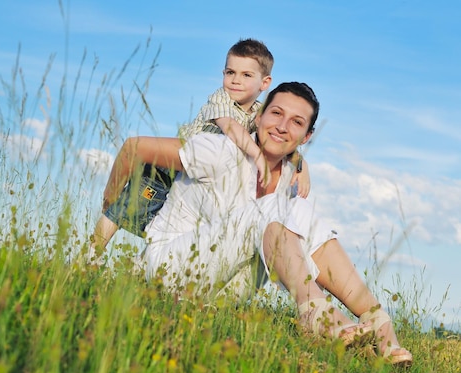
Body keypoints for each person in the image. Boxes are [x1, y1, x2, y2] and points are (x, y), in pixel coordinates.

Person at [100, 82, 413, 366]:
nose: (281, 126)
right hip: (169, 272)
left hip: (223, 292)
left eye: (296, 122)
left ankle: (383, 328)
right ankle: (316, 316)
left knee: (299, 211)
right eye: (276, 113)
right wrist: (109, 200)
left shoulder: (291, 177)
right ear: (260, 116)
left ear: (306, 137)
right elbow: (134, 147)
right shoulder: (221, 150)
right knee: (274, 208)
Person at [90, 38, 311, 256]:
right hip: (171, 167)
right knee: (125, 207)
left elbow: (275, 139)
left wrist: (301, 168)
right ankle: (91, 254)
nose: (235, 80)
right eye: (230, 72)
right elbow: (231, 127)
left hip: (195, 180)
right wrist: (257, 156)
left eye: (246, 75)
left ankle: (141, 270)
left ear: (264, 83)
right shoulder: (221, 99)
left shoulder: (260, 112)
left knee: (165, 226)